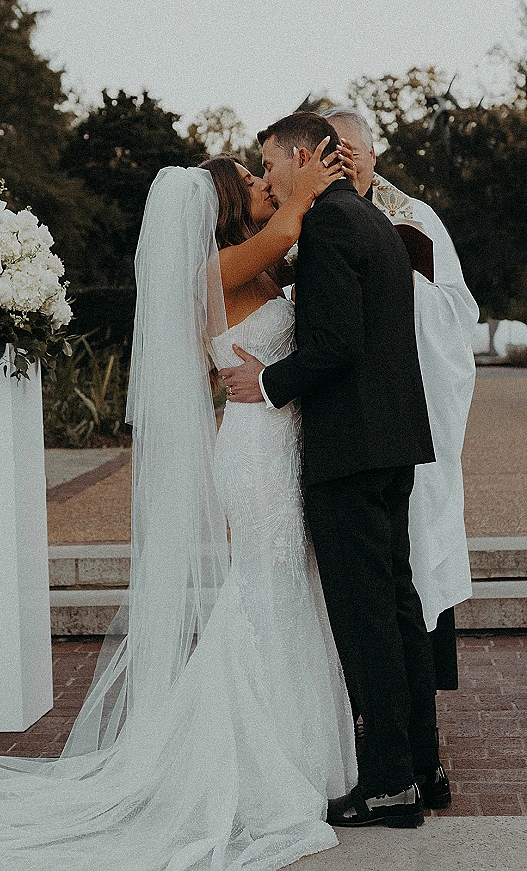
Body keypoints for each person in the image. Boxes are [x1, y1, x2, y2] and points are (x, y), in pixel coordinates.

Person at [0, 147, 360, 870]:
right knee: (265, 589)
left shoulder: (261, 267)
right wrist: (316, 178)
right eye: (253, 181)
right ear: (225, 204)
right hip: (255, 452)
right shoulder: (216, 270)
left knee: (289, 588)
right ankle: (258, 758)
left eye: (265, 175)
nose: (266, 185)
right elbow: (292, 224)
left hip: (284, 441)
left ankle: (301, 750)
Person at [220, 111, 442, 828]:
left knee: (366, 620)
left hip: (350, 450)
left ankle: (388, 785)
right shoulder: (368, 216)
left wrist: (270, 382)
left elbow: (336, 344)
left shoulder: (326, 226)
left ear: (303, 155)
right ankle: (422, 768)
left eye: (270, 162)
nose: (270, 175)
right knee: (398, 607)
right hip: (392, 443)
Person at [324, 107, 480, 808]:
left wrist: (394, 282)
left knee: (402, 598)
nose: (345, 160)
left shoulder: (412, 219)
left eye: (353, 150)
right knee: (375, 599)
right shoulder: (316, 219)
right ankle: (380, 755)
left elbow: (456, 315)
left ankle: (419, 759)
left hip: (406, 428)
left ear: (374, 152)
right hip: (359, 431)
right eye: (333, 150)